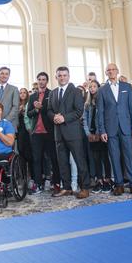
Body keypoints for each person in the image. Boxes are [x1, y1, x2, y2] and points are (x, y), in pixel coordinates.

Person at [97, 64, 132, 196]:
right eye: (109, 70)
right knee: (114, 157)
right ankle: (119, 184)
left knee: (129, 156)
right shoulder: (102, 90)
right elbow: (100, 112)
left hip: (126, 127)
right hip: (110, 129)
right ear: (106, 73)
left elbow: (131, 109)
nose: (111, 72)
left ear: (117, 71)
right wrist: (102, 131)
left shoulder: (127, 86)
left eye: (113, 69)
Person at [47, 66, 91, 199]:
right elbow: (48, 110)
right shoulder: (53, 93)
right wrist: (53, 117)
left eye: (64, 75)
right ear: (56, 77)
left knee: (79, 160)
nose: (62, 78)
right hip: (58, 133)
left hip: (73, 132)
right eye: (59, 75)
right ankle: (66, 188)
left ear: (69, 76)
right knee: (62, 162)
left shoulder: (75, 91)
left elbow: (79, 111)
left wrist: (64, 118)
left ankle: (85, 187)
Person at [27, 72, 59, 194]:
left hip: (49, 131)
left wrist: (42, 107)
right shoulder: (32, 96)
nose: (41, 81)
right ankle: (38, 185)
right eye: (39, 79)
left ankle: (56, 183)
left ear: (47, 81)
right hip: (36, 132)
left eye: (43, 79)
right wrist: (35, 109)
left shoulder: (52, 94)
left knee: (53, 158)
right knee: (36, 159)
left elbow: (54, 111)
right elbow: (29, 114)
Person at [84, 80, 111, 193]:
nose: (92, 88)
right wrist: (88, 133)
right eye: (90, 87)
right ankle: (99, 180)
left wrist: (102, 132)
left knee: (105, 158)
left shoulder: (103, 100)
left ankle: (107, 180)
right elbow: (84, 120)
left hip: (102, 133)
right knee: (96, 159)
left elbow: (105, 117)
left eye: (94, 86)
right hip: (92, 134)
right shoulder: (87, 103)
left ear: (98, 88)